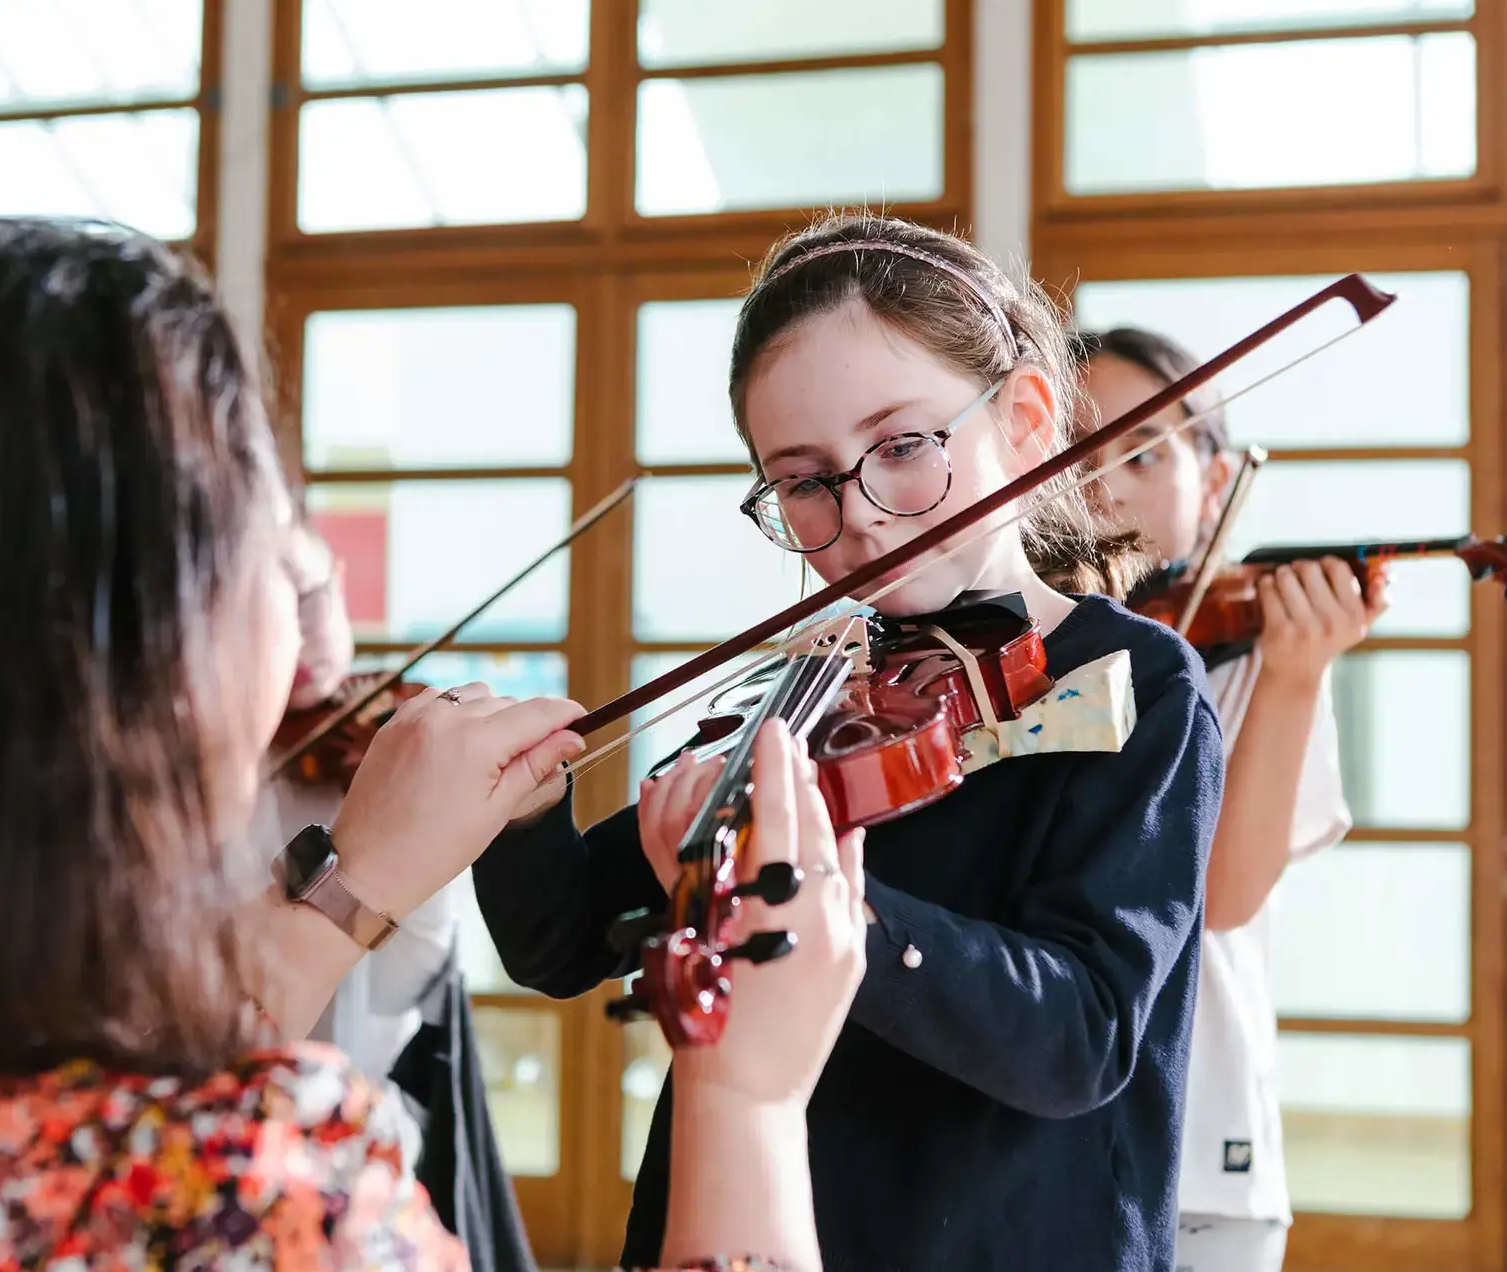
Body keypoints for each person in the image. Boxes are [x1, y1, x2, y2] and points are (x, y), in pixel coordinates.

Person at [0, 218, 865, 1272]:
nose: (299, 608)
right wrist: (745, 1095)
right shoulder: (244, 1191)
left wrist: (358, 883)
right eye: (261, 528)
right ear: (127, 635)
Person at [474, 212, 1226, 1271]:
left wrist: (836, 915)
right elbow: (559, 942)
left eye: (904, 448)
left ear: (1024, 418)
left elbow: (1086, 1035)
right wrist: (523, 813)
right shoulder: (811, 692)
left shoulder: (1135, 684)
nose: (862, 513)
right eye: (804, 480)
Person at [1075, 326, 1385, 1272]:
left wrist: (1294, 676)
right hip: (1034, 1131)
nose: (1099, 482)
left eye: (1142, 451)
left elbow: (1225, 893)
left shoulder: (1257, 658)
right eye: (1068, 452)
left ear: (1214, 486)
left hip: (1198, 1139)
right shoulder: (1014, 658)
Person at [256, 524, 533, 1272]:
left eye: (318, 594)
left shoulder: (385, 742)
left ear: (341, 581)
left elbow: (403, 999)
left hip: (352, 1104)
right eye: (272, 598)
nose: (310, 631)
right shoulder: (219, 768)